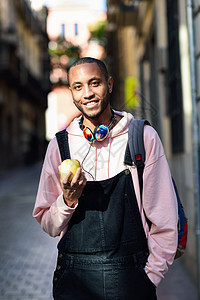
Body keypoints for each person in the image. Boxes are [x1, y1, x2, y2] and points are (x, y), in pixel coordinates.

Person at [33, 57, 178, 300]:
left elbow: (164, 220)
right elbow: (48, 223)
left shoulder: (142, 137)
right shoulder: (60, 146)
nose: (87, 93)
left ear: (109, 84)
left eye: (94, 83)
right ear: (71, 93)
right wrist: (67, 201)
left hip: (131, 280)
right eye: (78, 87)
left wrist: (150, 278)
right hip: (74, 280)